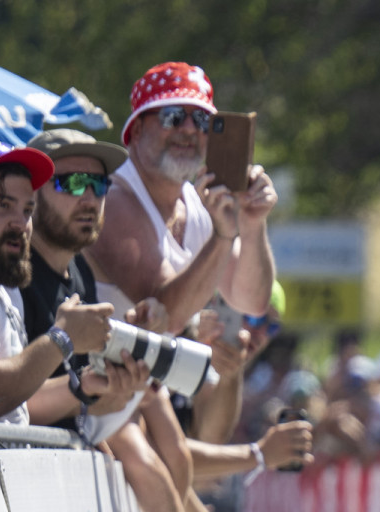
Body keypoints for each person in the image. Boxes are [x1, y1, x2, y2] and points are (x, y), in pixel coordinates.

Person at [85, 62, 278, 330]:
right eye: (172, 116)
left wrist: (253, 223)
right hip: (96, 371)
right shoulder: (113, 199)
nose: (189, 130)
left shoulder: (196, 203)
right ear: (137, 130)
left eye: (201, 120)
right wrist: (223, 236)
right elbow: (164, 317)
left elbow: (252, 302)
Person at [0, 141, 113, 425]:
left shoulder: (5, 286)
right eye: (3, 204)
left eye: (27, 210)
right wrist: (62, 339)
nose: (20, 223)